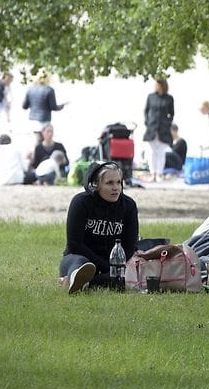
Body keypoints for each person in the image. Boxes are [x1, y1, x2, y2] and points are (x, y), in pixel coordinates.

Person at [59, 161, 139, 293]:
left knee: (122, 278)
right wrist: (104, 266)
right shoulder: (81, 202)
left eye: (118, 182)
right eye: (109, 183)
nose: (116, 188)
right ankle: (76, 277)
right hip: (79, 258)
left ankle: (84, 283)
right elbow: (75, 244)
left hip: (114, 265)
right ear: (96, 185)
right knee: (82, 263)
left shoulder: (128, 206)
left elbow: (130, 246)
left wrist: (113, 268)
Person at [142, 78, 174, 182]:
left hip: (163, 129)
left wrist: (167, 123)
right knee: (151, 152)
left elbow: (172, 113)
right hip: (152, 127)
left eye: (157, 85)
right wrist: (147, 122)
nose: (156, 87)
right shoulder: (151, 97)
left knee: (161, 152)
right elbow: (146, 111)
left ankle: (159, 173)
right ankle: (153, 173)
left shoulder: (169, 98)